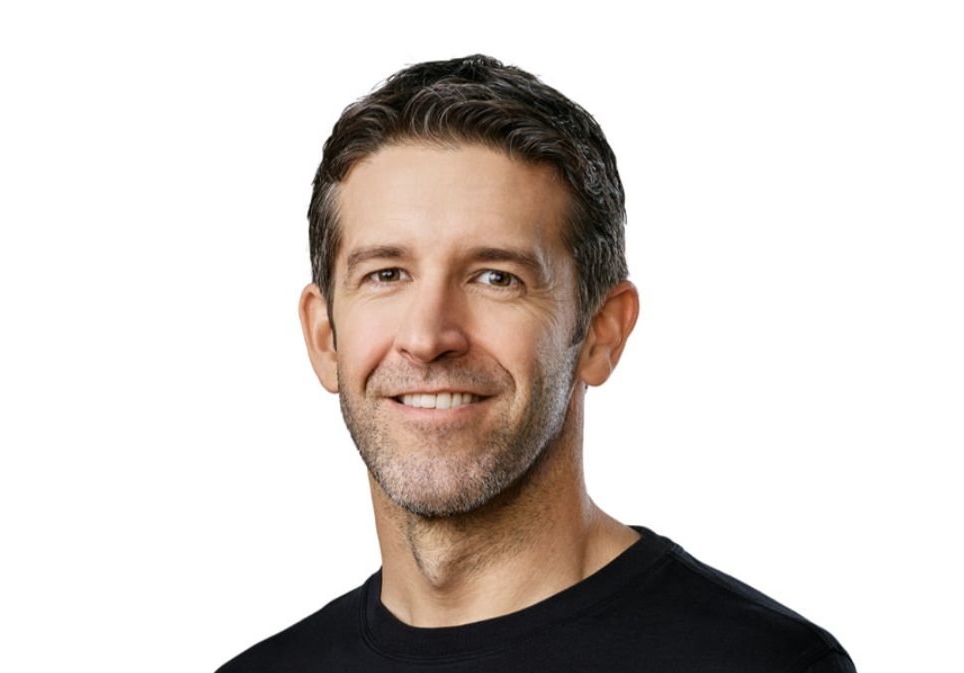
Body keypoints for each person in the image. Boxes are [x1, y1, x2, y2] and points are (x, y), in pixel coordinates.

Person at [217, 54, 856, 672]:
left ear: (602, 333)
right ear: (324, 337)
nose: (428, 336)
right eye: (386, 274)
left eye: (496, 277)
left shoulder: (763, 664)